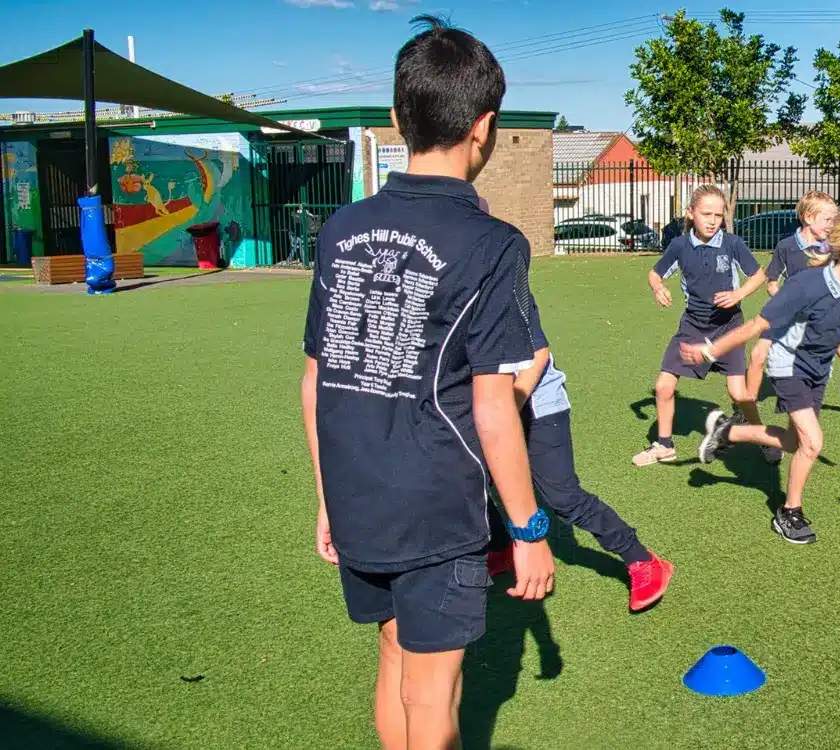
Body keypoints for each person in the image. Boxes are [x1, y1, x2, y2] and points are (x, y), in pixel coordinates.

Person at [300, 15, 555, 749]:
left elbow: (316, 379)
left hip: (357, 495)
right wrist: (529, 530)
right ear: (486, 127)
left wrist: (327, 498)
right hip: (436, 505)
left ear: (394, 120)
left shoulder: (341, 227)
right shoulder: (493, 243)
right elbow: (494, 409)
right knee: (433, 684)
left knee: (393, 659)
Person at [680, 210, 840, 544]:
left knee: (794, 442)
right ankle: (789, 512)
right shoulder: (806, 284)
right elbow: (755, 327)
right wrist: (709, 351)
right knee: (813, 442)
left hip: (819, 369)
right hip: (788, 365)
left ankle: (729, 432)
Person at [485, 340, 676, 613]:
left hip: (537, 403)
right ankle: (501, 549)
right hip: (486, 407)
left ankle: (641, 559)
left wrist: (507, 411)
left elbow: (539, 353)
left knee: (564, 497)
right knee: (467, 481)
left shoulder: (506, 295)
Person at [632, 185, 767, 467]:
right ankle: (664, 446)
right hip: (692, 326)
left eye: (718, 215)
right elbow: (655, 273)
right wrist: (658, 288)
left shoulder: (732, 244)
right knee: (664, 386)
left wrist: (738, 294)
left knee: (738, 394)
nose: (712, 220)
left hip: (729, 327)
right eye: (706, 213)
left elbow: (758, 275)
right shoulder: (679, 246)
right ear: (691, 213)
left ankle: (764, 438)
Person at [747, 192, 840, 468]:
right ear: (808, 218)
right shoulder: (786, 246)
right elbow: (772, 281)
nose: (832, 224)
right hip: (789, 319)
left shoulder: (833, 247)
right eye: (828, 219)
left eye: (835, 219)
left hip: (824, 320)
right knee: (757, 358)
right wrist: (783, 297)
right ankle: (748, 415)